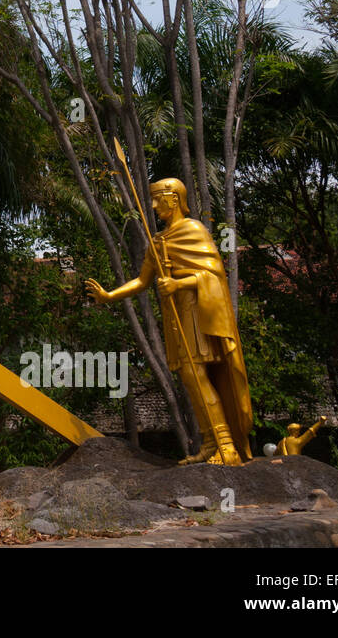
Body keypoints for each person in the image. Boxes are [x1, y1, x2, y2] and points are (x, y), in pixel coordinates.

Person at [86, 177, 253, 465]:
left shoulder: (194, 231)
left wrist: (180, 284)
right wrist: (108, 295)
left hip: (195, 314)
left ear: (174, 199)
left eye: (157, 199)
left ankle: (227, 447)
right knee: (191, 380)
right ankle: (210, 444)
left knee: (196, 376)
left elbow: (213, 275)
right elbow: (141, 281)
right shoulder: (158, 241)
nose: (152, 205)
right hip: (174, 320)